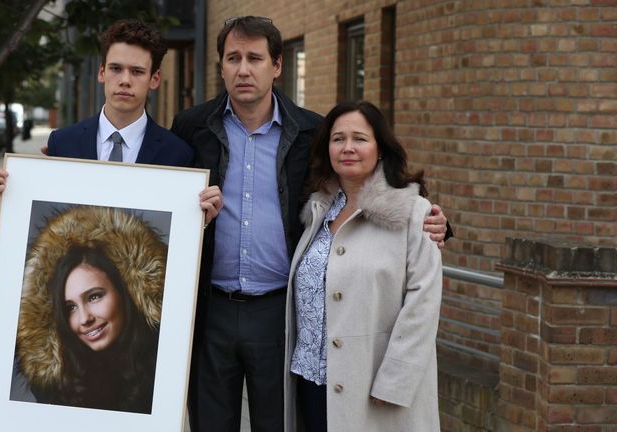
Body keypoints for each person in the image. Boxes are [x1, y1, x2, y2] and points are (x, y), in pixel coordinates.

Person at [170, 16, 449, 431]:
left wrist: (434, 221)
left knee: (278, 421)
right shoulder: (191, 127)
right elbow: (159, 192)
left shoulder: (311, 131)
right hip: (210, 309)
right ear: (221, 66)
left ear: (277, 65)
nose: (243, 69)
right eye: (233, 58)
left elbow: (367, 187)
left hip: (278, 312)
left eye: (254, 58)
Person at [284, 101, 443, 431]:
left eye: (360, 138)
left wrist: (395, 379)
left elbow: (423, 303)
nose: (348, 148)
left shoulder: (414, 213)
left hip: (373, 387)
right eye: (338, 139)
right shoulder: (316, 210)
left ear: (380, 148)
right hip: (312, 383)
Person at [0, 19, 222, 222]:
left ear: (155, 79)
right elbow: (48, 219)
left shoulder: (178, 154)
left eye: (137, 71)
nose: (125, 80)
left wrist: (199, 220)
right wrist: (14, 197)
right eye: (116, 69)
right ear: (101, 73)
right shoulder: (62, 143)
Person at [13, 205, 167, 413]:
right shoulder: (57, 382)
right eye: (70, 308)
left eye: (94, 296)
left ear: (125, 291)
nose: (85, 318)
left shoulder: (167, 355)